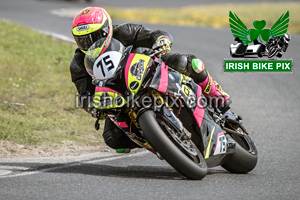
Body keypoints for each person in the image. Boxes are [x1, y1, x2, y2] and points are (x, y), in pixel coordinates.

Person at [70, 7, 231, 151]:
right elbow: (85, 94)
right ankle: (161, 143)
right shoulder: (78, 63)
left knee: (190, 64)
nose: (88, 44)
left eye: (93, 37)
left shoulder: (124, 32)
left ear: (106, 30)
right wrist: (93, 107)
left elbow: (153, 35)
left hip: (150, 68)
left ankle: (220, 100)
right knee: (112, 138)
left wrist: (162, 40)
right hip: (118, 95)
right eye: (82, 40)